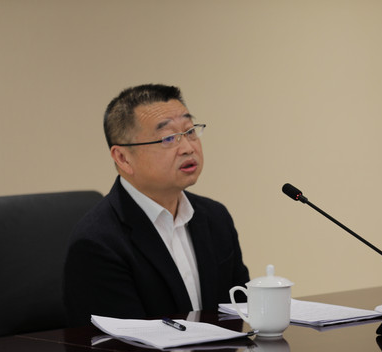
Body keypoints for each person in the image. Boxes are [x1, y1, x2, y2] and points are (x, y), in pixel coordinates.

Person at [63, 84, 250, 327]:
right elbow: (120, 343)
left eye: (190, 131)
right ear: (123, 158)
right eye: (168, 138)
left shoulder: (215, 218)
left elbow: (240, 311)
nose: (188, 148)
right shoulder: (98, 242)